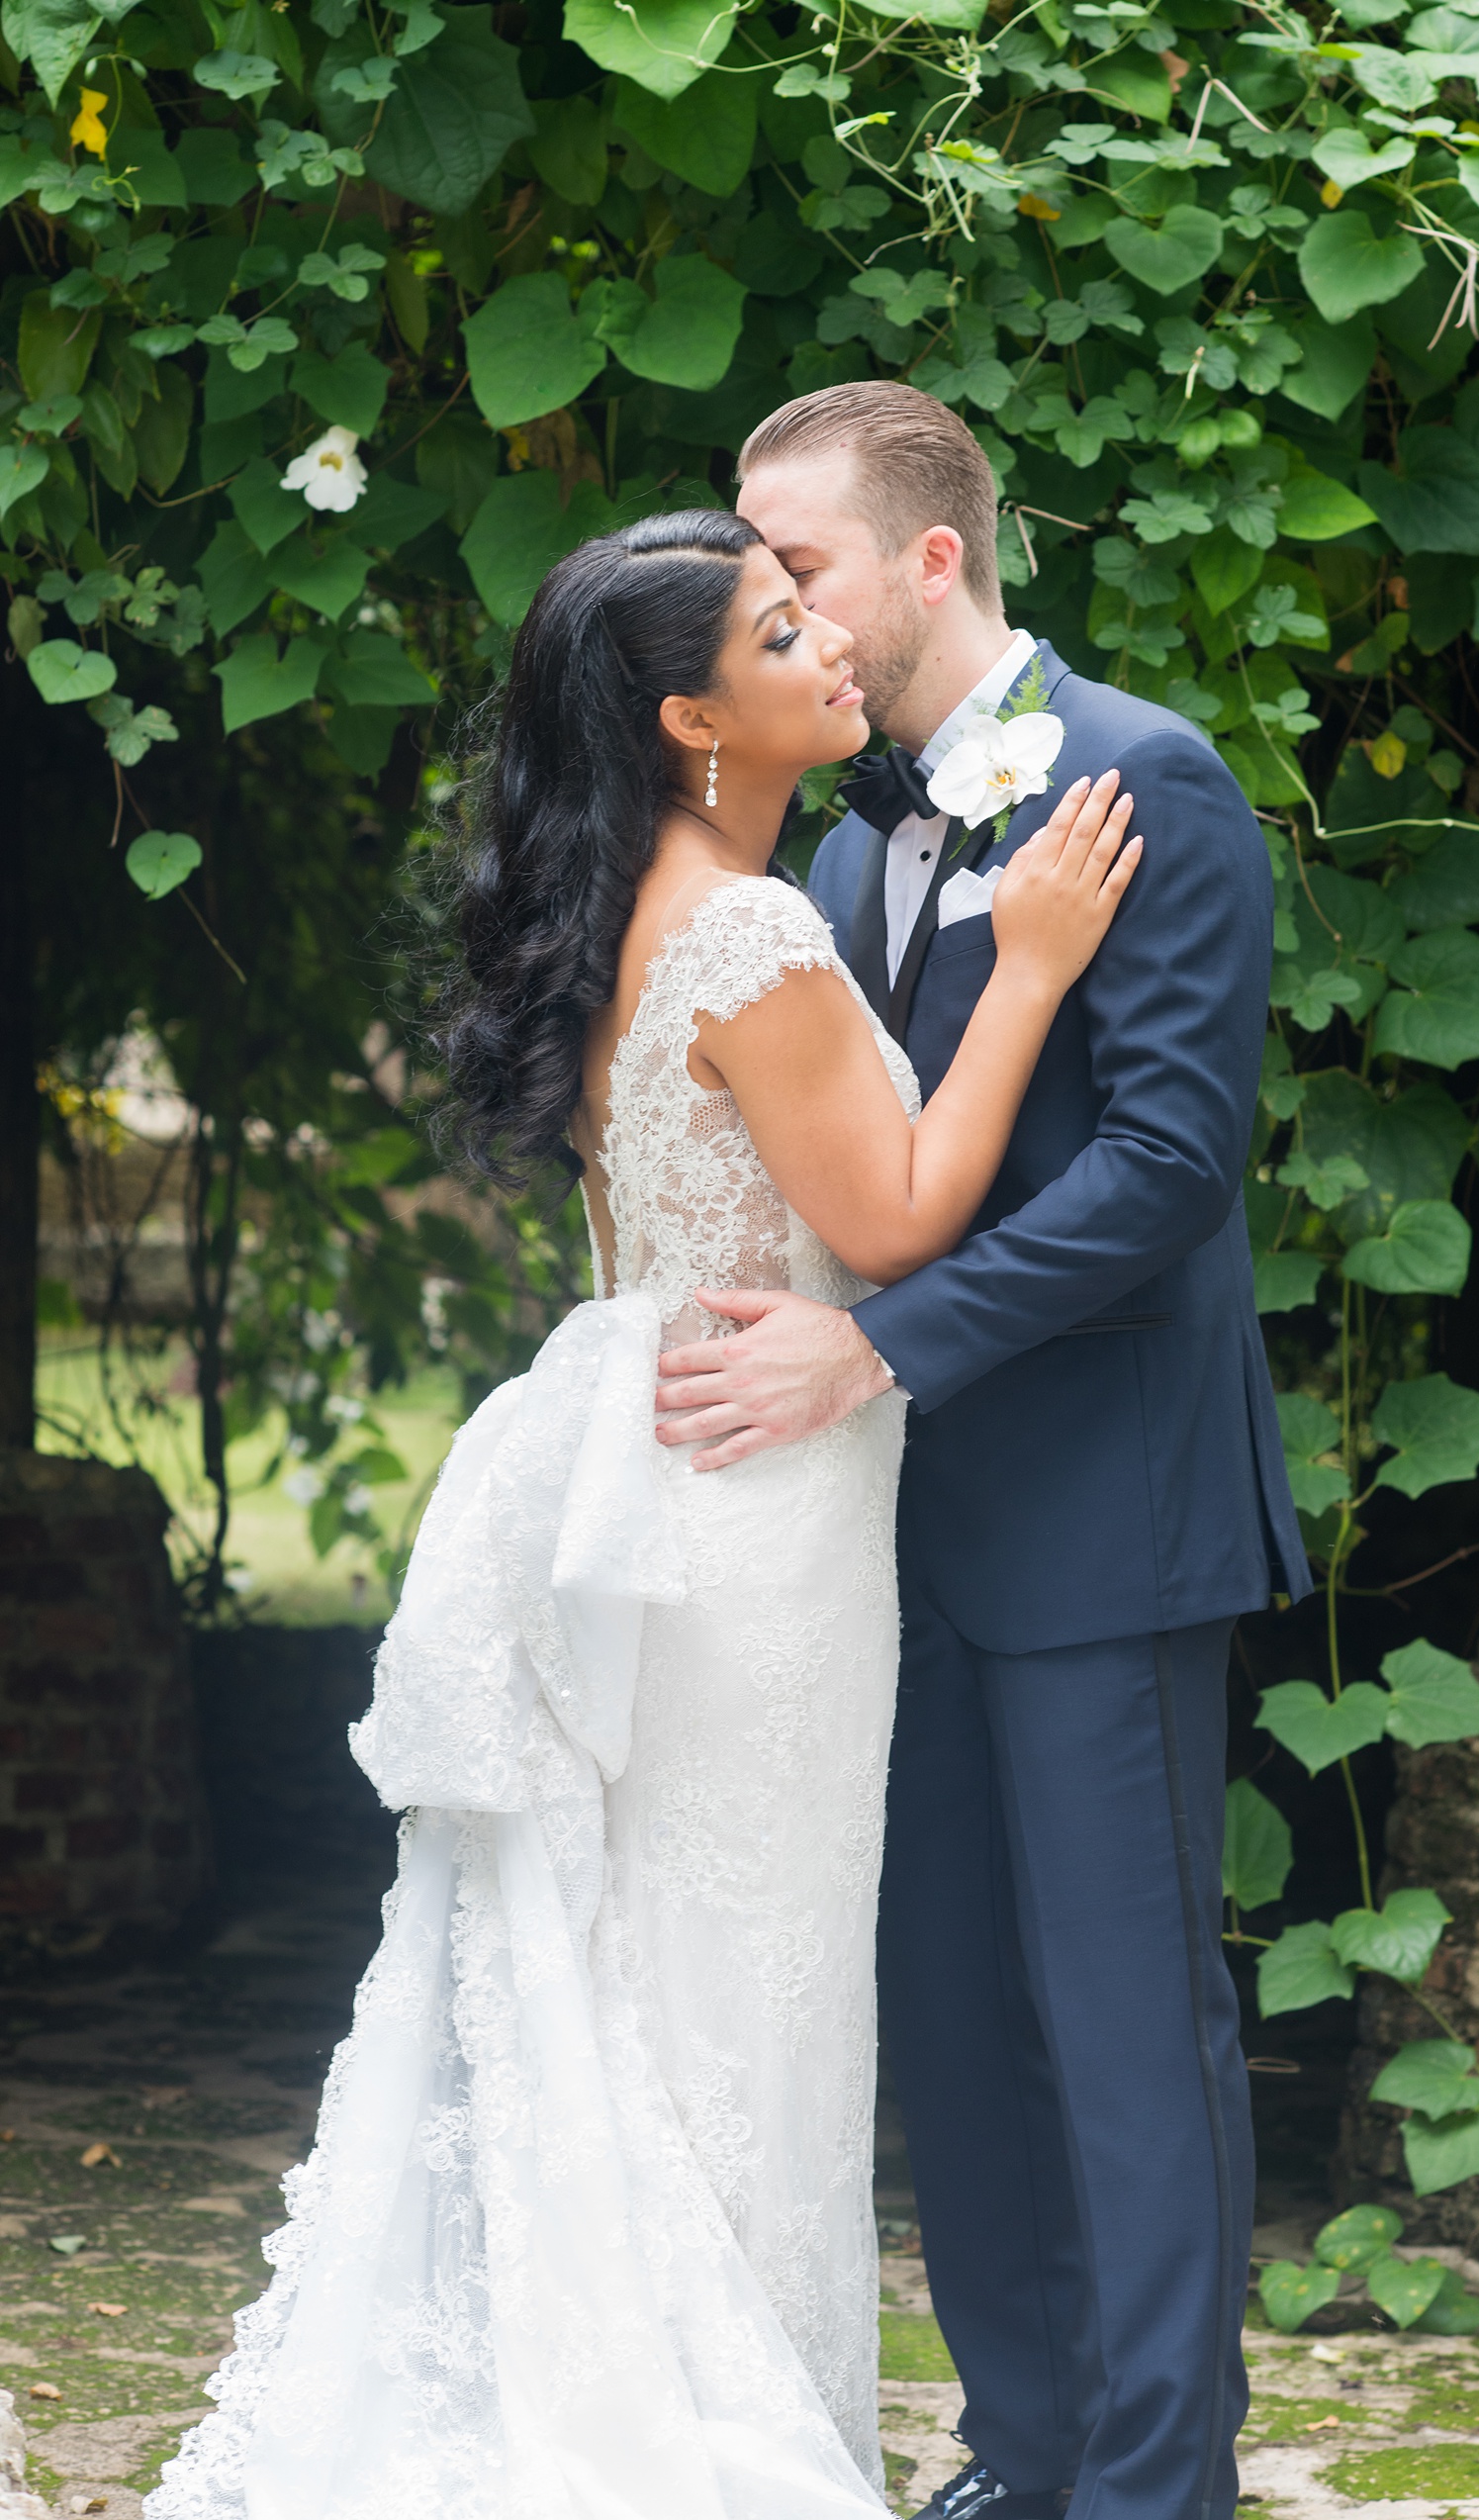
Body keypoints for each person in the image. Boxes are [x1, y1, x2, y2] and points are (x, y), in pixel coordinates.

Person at [143, 507, 1138, 2520]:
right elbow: (889, 1214)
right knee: (741, 1993)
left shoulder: (647, 899)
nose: (830, 647)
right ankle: (705, 2440)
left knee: (666, 1967)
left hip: (683, 1472)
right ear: (694, 715)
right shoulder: (755, 928)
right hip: (753, 1521)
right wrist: (1028, 968)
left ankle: (658, 2391)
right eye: (784, 633)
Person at [652, 385, 1312, 2520]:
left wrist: (872, 1357)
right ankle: (1022, 2445)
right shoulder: (848, 840)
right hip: (893, 1541)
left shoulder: (1150, 779)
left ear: (932, 558)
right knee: (945, 2007)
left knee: (1126, 2035)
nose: (785, 604)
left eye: (803, 562)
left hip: (1104, 1510)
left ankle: (1153, 2481)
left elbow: (1164, 1168)